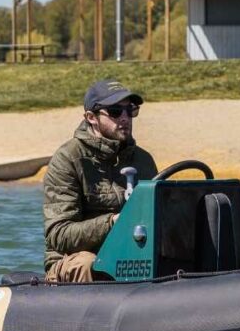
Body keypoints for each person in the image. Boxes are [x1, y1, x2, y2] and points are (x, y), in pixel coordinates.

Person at [42, 79, 158, 283]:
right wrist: (112, 222)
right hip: (72, 261)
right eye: (115, 111)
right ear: (91, 117)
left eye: (130, 110)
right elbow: (59, 235)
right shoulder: (68, 159)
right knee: (87, 263)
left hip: (130, 257)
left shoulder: (143, 161)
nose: (124, 118)